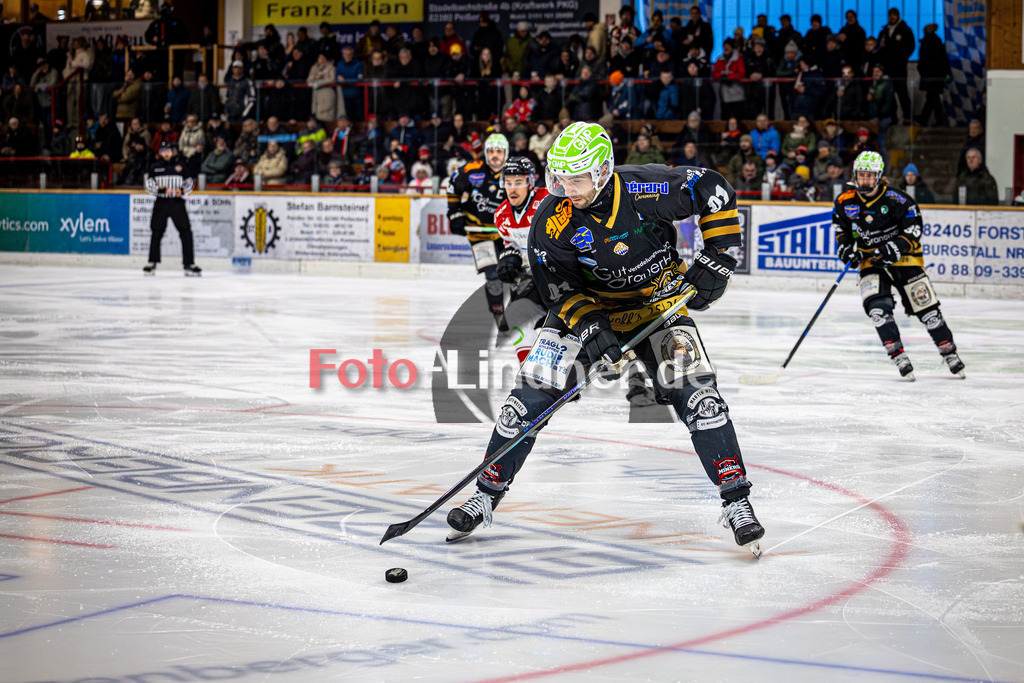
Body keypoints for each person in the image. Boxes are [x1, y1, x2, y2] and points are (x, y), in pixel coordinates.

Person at [445, 121, 765, 556]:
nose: (566, 188)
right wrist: (592, 328)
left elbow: (713, 189)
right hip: (589, 310)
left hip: (658, 303)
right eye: (560, 178)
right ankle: (485, 494)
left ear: (601, 171)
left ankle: (736, 500)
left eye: (576, 178)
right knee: (526, 401)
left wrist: (718, 257)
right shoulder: (551, 219)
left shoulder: (643, 188)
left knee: (699, 397)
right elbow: (557, 289)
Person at [833, 151, 964, 380]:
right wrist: (845, 249)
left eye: (869, 176)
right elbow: (841, 230)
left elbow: (914, 228)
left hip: (905, 259)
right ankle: (898, 356)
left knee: (927, 309)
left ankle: (949, 352)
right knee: (877, 310)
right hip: (871, 261)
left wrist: (894, 247)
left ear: (879, 176)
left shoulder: (898, 199)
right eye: (861, 175)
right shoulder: (845, 201)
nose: (865, 180)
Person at [447, 133, 509, 328]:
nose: (495, 155)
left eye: (499, 151)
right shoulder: (473, 169)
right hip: (478, 231)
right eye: (491, 151)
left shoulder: (514, 172)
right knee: (493, 275)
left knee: (515, 273)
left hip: (506, 233)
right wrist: (454, 213)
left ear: (506, 153)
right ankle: (499, 313)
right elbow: (452, 185)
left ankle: (523, 311)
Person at [492, 156, 550, 360]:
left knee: (556, 324)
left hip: (562, 274)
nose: (512, 189)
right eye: (508, 183)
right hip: (535, 277)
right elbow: (511, 244)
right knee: (515, 315)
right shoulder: (501, 215)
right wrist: (509, 257)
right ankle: (527, 369)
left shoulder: (548, 201)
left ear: (530, 182)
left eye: (518, 182)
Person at [143, 141, 200, 276]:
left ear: (173, 152)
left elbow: (189, 183)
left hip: (177, 203)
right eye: (164, 151)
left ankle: (189, 263)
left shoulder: (180, 166)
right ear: (160, 153)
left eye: (169, 150)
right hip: (161, 203)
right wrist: (162, 190)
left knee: (185, 231)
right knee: (156, 232)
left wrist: (182, 190)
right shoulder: (155, 167)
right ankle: (152, 262)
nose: (167, 153)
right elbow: (149, 185)